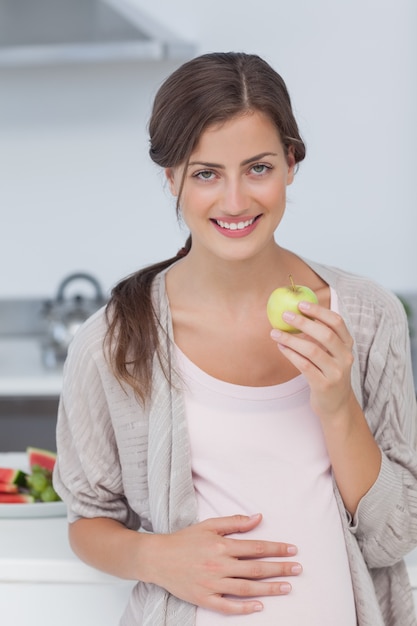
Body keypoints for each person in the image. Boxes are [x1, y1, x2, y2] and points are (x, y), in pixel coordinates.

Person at [53, 52, 417, 626]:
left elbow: (396, 536)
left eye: (258, 168)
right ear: (170, 176)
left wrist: (338, 403)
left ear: (292, 163)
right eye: (205, 174)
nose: (235, 201)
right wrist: (157, 556)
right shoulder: (112, 343)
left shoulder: (368, 317)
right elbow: (86, 522)